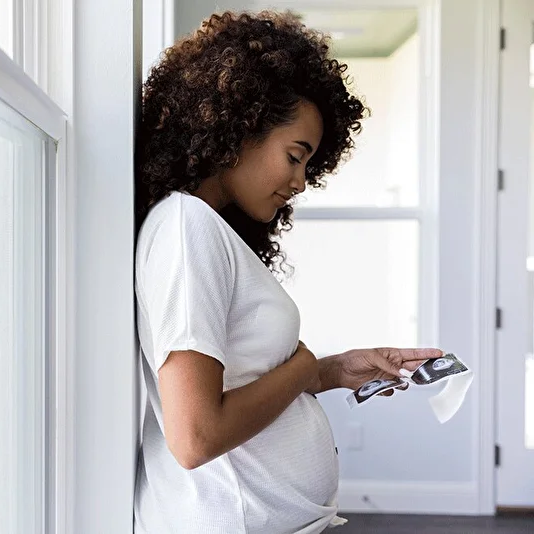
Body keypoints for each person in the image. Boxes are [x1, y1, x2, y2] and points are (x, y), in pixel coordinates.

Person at [134, 10, 442, 534]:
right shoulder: (187, 228)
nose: (300, 182)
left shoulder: (204, 228)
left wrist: (334, 370)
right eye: (295, 156)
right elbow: (196, 437)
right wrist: (300, 369)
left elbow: (242, 379)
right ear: (238, 126)